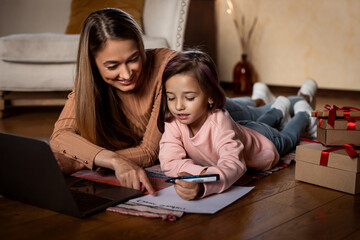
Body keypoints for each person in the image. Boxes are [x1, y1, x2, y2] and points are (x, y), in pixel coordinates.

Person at [49, 8, 181, 194]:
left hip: (221, 112)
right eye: (112, 66)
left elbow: (150, 151)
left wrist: (80, 162)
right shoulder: (89, 79)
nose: (127, 74)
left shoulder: (169, 69)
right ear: (93, 63)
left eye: (133, 59)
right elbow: (60, 136)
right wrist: (113, 160)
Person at [158, 50, 315, 200]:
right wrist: (201, 172)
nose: (178, 106)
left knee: (288, 138)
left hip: (264, 141)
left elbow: (234, 164)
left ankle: (303, 114)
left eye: (189, 98)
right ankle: (278, 109)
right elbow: (169, 161)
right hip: (243, 130)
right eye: (171, 98)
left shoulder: (219, 120)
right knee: (253, 127)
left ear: (210, 97)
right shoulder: (174, 121)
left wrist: (203, 182)